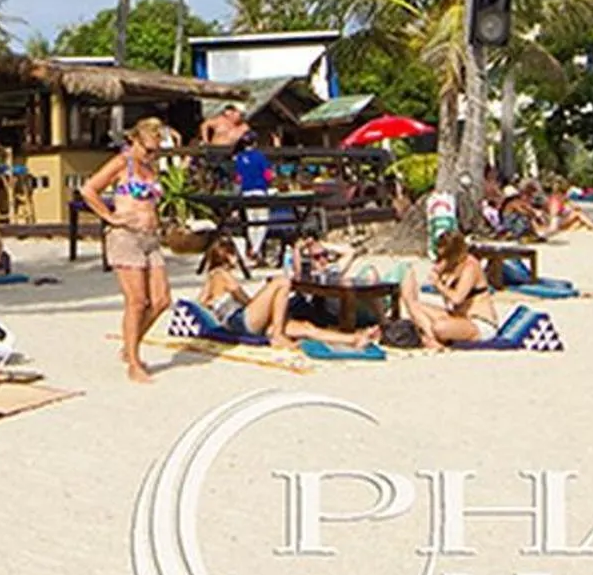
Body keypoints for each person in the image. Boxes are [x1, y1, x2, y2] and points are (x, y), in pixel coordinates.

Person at [81, 116, 172, 383]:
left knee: (162, 300)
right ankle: (133, 361)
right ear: (134, 140)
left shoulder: (150, 166)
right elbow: (88, 190)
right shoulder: (122, 163)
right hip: (126, 237)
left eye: (155, 150)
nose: (151, 154)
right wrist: (109, 216)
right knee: (137, 301)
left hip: (150, 237)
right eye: (148, 149)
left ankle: (129, 345)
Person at [197, 237, 375, 350]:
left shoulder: (211, 278)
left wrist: (214, 311)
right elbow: (246, 301)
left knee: (306, 327)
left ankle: (353, 339)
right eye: (235, 254)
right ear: (228, 255)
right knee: (281, 282)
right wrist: (269, 300)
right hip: (239, 321)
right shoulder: (222, 275)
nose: (237, 257)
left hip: (241, 322)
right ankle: (277, 336)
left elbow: (199, 303)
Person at [397, 230, 496, 347]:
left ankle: (433, 338)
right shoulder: (452, 266)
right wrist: (440, 274)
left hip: (479, 323)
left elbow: (457, 299)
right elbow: (448, 302)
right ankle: (432, 340)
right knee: (414, 305)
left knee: (439, 327)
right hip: (458, 317)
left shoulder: (470, 266)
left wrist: (438, 284)